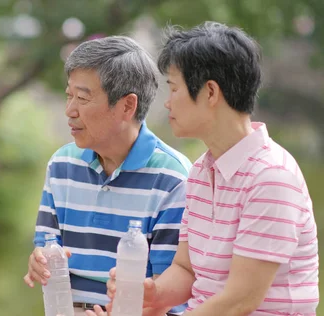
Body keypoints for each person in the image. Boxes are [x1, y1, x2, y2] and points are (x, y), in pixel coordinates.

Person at [88, 21, 319, 316]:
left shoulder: (271, 178)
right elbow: (186, 269)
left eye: (173, 88)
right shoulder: (201, 171)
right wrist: (150, 293)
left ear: (210, 92)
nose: (168, 103)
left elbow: (239, 301)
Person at [22, 35, 192, 316]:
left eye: (83, 98)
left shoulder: (173, 179)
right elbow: (46, 249)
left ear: (127, 105)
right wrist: (38, 261)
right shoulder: (62, 165)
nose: (70, 110)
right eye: (69, 96)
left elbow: (169, 291)